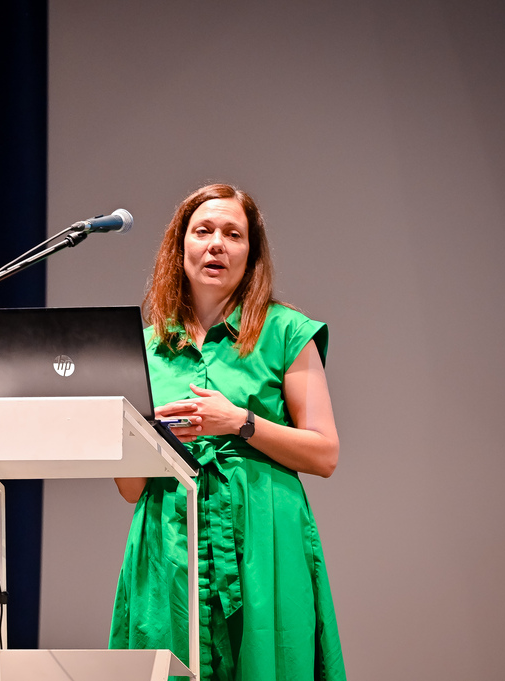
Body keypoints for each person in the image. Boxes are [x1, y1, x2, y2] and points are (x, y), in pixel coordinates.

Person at [110, 183, 346, 680]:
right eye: (203, 231)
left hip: (264, 536)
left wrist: (240, 422)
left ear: (250, 254)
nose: (217, 243)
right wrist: (153, 438)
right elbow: (130, 489)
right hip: (170, 540)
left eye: (233, 234)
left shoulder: (286, 332)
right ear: (180, 248)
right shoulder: (144, 348)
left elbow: (324, 454)